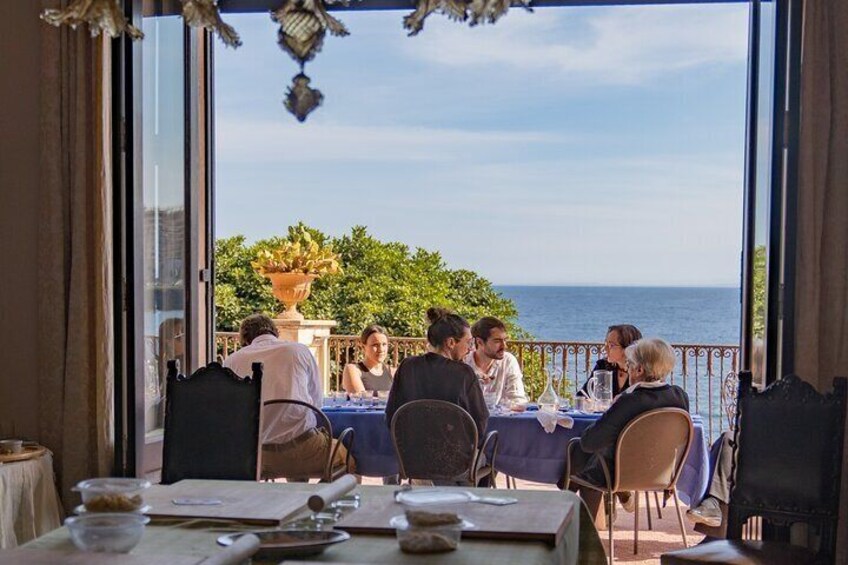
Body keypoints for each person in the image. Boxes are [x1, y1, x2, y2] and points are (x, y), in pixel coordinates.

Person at [566, 337, 689, 528]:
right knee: (584, 456)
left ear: (639, 370)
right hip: (663, 473)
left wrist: (612, 409)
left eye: (630, 365)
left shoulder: (629, 401)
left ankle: (581, 528)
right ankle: (585, 519)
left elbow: (590, 442)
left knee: (579, 450)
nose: (628, 368)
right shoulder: (680, 396)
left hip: (619, 474)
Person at [223, 313, 351, 480]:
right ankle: (314, 499)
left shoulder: (232, 360)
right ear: (276, 332)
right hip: (305, 450)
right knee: (348, 458)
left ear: (245, 339)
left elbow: (231, 411)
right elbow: (317, 402)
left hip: (256, 456)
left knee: (294, 451)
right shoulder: (299, 350)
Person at [385, 308, 488, 483]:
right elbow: (480, 422)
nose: (469, 349)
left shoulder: (407, 367)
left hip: (412, 459)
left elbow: (391, 415)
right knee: (491, 456)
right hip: (455, 461)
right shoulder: (463, 373)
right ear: (450, 343)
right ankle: (473, 503)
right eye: (468, 343)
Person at [464, 316, 528, 406]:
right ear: (479, 342)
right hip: (469, 419)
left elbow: (517, 398)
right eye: (497, 341)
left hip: (500, 418)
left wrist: (514, 406)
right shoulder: (464, 363)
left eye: (505, 340)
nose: (504, 346)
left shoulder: (508, 361)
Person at [580, 324, 643, 399]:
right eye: (606, 343)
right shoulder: (603, 365)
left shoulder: (639, 372)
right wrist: (587, 403)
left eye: (611, 345)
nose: (605, 349)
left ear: (627, 348)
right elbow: (582, 395)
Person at [342, 324, 395, 394]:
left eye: (384, 344)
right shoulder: (353, 370)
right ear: (363, 347)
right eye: (375, 345)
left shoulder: (393, 372)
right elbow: (360, 400)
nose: (381, 349)